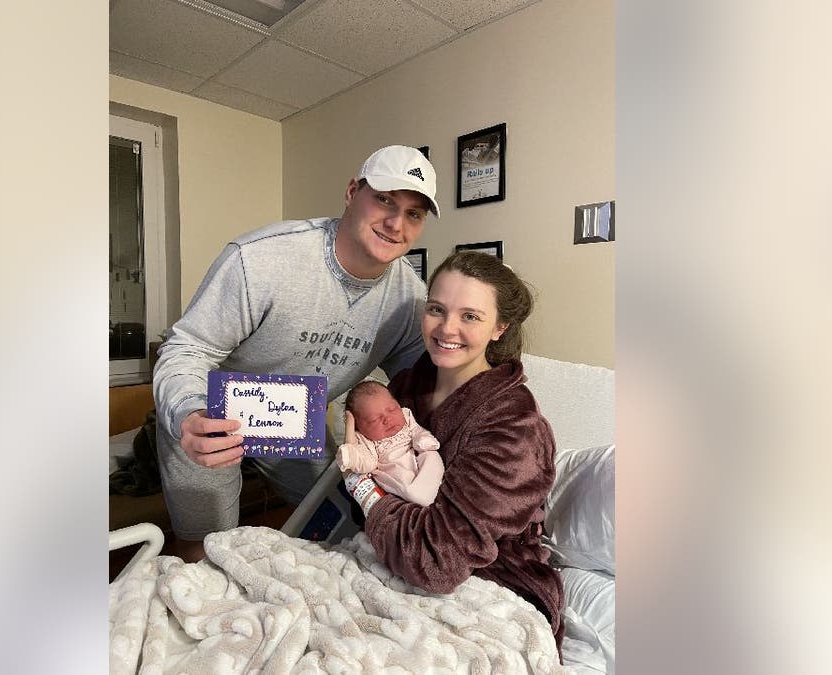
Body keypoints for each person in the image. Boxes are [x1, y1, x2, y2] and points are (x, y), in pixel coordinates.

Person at [152, 145, 440, 563]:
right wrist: (188, 414)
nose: (396, 223)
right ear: (352, 192)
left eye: (414, 213)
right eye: (384, 200)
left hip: (295, 423)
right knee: (206, 552)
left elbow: (424, 381)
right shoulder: (262, 258)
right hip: (211, 415)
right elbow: (185, 350)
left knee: (340, 524)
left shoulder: (409, 298)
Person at [344, 250, 565, 657]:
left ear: (500, 327)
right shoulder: (411, 384)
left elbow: (436, 559)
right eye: (436, 309)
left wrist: (365, 491)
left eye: (470, 316)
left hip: (495, 582)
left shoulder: (514, 426)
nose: (447, 328)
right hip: (389, 558)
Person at [337, 380, 444, 507]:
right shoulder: (365, 440)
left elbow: (417, 430)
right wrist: (350, 454)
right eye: (374, 419)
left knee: (431, 455)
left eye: (392, 409)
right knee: (403, 482)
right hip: (395, 470)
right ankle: (425, 497)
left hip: (419, 456)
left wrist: (423, 439)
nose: (387, 418)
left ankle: (440, 486)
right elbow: (367, 463)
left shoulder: (406, 414)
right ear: (359, 428)